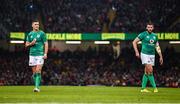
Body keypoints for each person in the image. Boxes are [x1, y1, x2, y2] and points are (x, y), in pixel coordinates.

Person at [132, 22, 163, 93]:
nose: (150, 28)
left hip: (152, 55)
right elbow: (134, 42)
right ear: (146, 28)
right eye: (148, 27)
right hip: (144, 54)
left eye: (151, 27)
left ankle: (143, 89)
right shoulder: (143, 34)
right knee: (150, 70)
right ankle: (155, 88)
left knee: (146, 72)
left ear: (153, 28)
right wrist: (136, 52)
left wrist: (161, 56)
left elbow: (157, 46)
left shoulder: (155, 36)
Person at [25, 19, 48, 92]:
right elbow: (26, 45)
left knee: (38, 70)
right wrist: (31, 43)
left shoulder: (42, 33)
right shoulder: (30, 34)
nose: (37, 26)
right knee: (34, 73)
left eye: (38, 24)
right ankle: (36, 84)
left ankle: (37, 87)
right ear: (32, 25)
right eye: (35, 24)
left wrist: (45, 53)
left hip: (40, 54)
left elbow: (46, 44)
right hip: (32, 55)